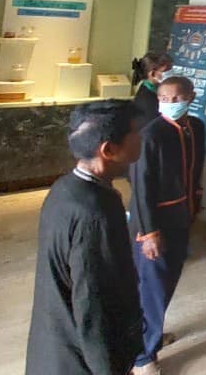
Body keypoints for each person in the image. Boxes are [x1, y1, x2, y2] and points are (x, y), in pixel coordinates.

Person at [26, 100, 143, 375]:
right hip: (79, 360)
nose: (141, 139)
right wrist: (109, 369)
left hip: (54, 346)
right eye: (135, 133)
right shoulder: (96, 213)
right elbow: (93, 303)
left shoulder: (65, 188)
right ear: (109, 150)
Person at [128, 76, 206, 375]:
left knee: (166, 284)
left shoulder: (195, 128)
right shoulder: (151, 135)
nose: (170, 104)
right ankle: (142, 356)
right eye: (164, 99)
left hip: (181, 219)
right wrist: (148, 233)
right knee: (152, 289)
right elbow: (141, 188)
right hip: (155, 225)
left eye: (177, 98)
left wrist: (195, 202)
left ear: (190, 97)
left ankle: (152, 335)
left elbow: (195, 169)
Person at [130, 51, 173, 128]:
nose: (171, 73)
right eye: (167, 70)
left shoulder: (153, 88)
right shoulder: (147, 100)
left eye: (171, 69)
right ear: (153, 74)